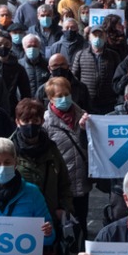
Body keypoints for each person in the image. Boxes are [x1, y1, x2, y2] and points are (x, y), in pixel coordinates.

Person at [10, 98, 73, 255]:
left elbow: (65, 183)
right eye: (26, 121)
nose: (31, 125)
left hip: (48, 225)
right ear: (18, 122)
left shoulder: (51, 149)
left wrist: (63, 210)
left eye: (36, 120)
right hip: (17, 227)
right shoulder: (8, 150)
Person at [43, 77, 91, 237]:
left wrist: (86, 130)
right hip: (60, 186)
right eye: (59, 95)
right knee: (62, 226)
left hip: (82, 181)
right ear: (51, 98)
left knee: (81, 223)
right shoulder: (46, 122)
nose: (64, 98)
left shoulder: (83, 116)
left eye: (67, 94)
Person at [72, 25, 121, 114]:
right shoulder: (80, 55)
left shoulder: (114, 55)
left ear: (105, 37)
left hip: (108, 102)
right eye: (95, 35)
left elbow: (118, 77)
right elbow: (75, 77)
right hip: (87, 102)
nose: (97, 38)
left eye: (100, 35)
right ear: (89, 38)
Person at [0, 31, 31, 116]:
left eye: (6, 44)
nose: (3, 47)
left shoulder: (18, 68)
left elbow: (26, 92)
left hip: (12, 108)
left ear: (11, 45)